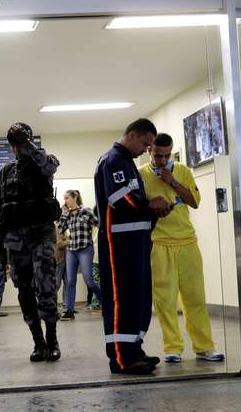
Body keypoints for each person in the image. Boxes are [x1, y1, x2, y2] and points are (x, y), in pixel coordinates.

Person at [94, 118, 172, 375]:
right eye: (145, 144)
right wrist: (151, 203)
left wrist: (155, 210)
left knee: (137, 298)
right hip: (119, 244)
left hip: (135, 242)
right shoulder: (113, 160)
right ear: (133, 135)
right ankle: (121, 358)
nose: (146, 150)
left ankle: (133, 350)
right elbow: (122, 197)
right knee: (121, 299)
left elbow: (135, 202)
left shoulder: (126, 162)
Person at [139, 133, 224, 364]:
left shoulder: (183, 171)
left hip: (187, 241)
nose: (162, 160)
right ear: (150, 151)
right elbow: (138, 208)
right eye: (158, 155)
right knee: (165, 300)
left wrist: (173, 181)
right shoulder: (141, 175)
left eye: (167, 156)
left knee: (195, 297)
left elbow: (194, 202)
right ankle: (172, 347)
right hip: (159, 243)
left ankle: (204, 346)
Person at [0, 122, 62, 363]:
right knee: (24, 289)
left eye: (21, 143)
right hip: (15, 238)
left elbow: (49, 164)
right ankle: (38, 343)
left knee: (45, 285)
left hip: (40, 234)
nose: (18, 149)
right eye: (16, 144)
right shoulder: (5, 172)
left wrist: (27, 143)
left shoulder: (44, 164)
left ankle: (52, 340)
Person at [58, 190, 101, 320]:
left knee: (89, 280)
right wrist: (64, 214)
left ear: (75, 198)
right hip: (71, 250)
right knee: (70, 281)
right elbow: (60, 229)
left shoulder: (86, 212)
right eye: (64, 199)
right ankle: (68, 311)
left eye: (67, 198)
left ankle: (105, 301)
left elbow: (98, 223)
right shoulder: (67, 214)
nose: (65, 201)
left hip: (85, 249)